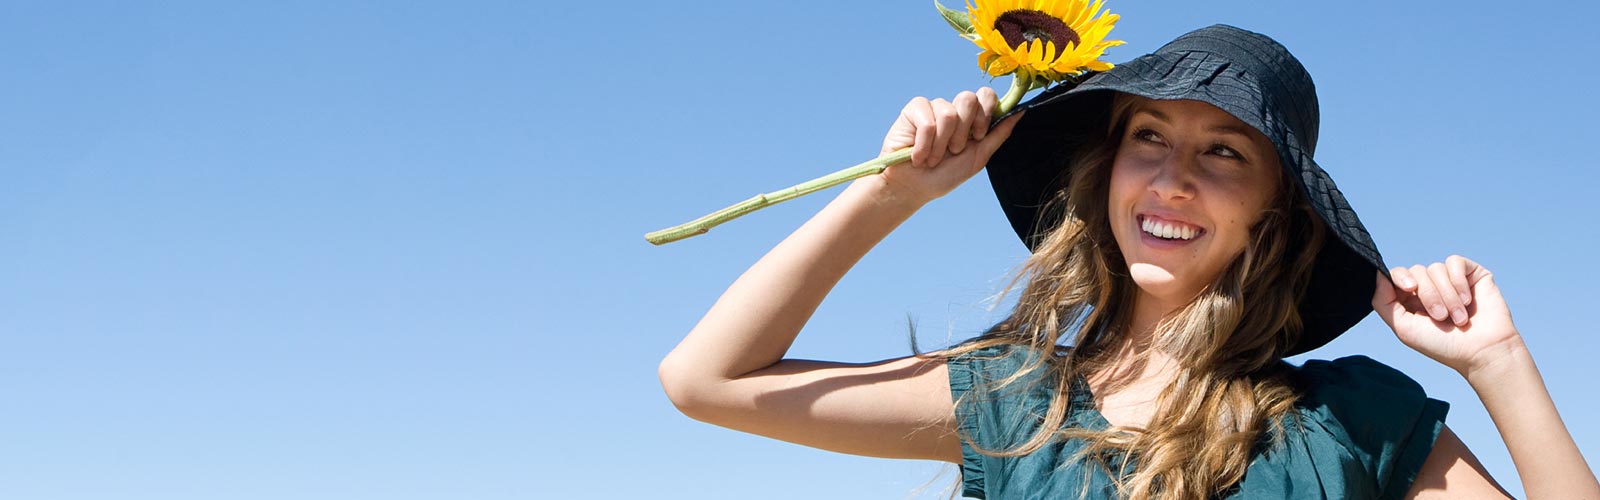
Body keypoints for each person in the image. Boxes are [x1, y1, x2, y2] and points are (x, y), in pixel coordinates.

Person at [657, 24, 1598, 499]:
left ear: (1278, 211)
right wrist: (889, 194)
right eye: (1149, 136)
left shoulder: (1354, 421)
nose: (1173, 179)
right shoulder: (1015, 404)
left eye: (1224, 151)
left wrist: (1498, 368)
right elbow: (706, 380)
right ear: (1107, 174)